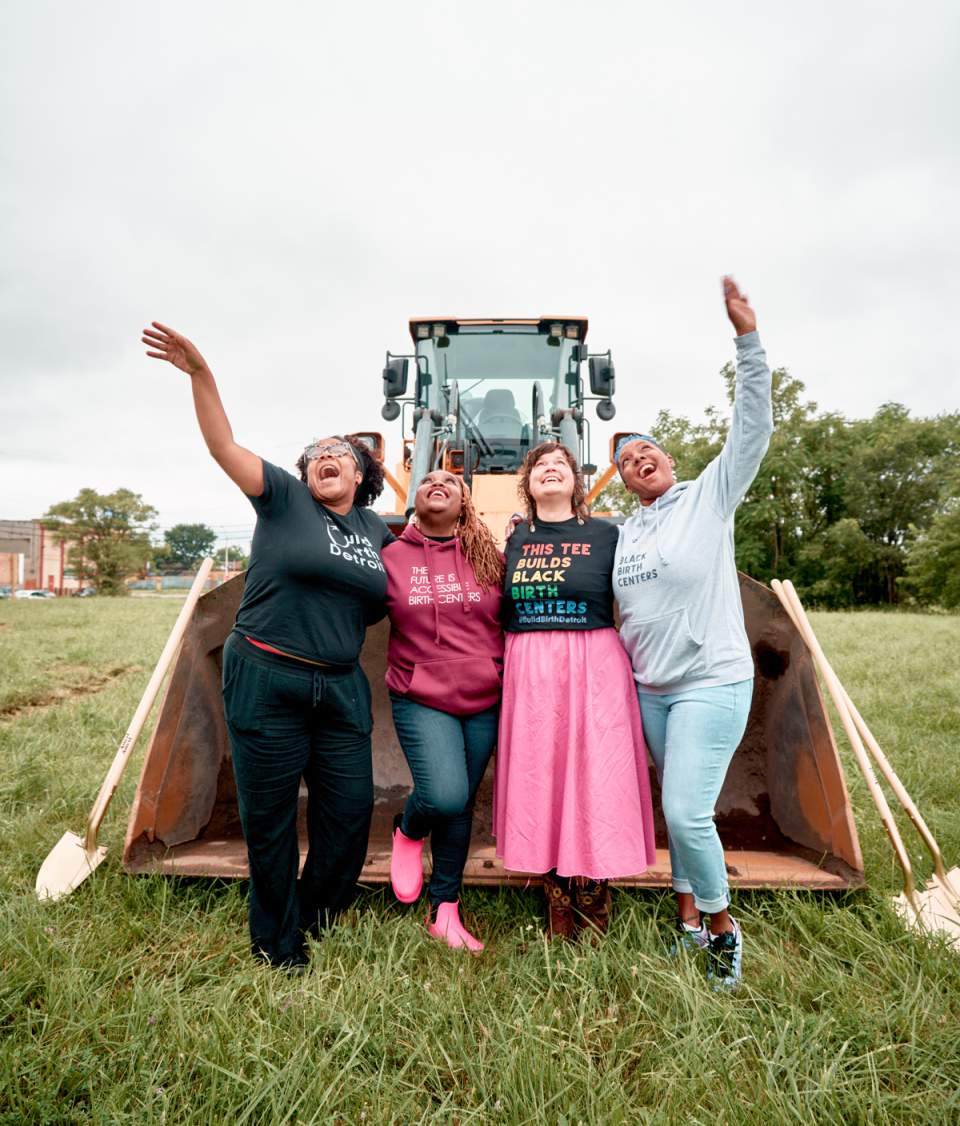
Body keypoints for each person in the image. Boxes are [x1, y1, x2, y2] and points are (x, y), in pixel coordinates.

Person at [142, 322, 394, 972]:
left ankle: (316, 915)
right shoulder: (283, 500)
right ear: (304, 472)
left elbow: (429, 553)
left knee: (348, 812)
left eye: (340, 451)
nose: (324, 456)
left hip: (340, 687)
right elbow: (223, 443)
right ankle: (277, 946)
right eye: (314, 453)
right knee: (273, 820)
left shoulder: (375, 528)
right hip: (268, 678)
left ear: (363, 472)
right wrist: (202, 375)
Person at [613, 276, 772, 991]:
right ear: (620, 483)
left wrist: (747, 340)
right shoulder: (624, 533)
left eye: (647, 450)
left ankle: (722, 930)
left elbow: (753, 427)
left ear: (669, 462)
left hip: (711, 681)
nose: (637, 458)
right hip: (651, 689)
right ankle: (682, 921)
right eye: (624, 460)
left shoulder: (709, 496)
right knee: (676, 807)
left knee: (684, 807)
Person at [494, 443, 657, 940]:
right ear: (527, 482)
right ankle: (558, 896)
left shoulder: (610, 533)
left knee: (595, 777)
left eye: (560, 464)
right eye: (540, 465)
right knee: (539, 777)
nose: (549, 470)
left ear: (575, 480)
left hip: (594, 664)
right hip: (530, 668)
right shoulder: (513, 538)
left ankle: (594, 894)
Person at [383, 470, 505, 952]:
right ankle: (407, 831)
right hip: (420, 694)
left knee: (462, 804)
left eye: (451, 482)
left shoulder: (488, 556)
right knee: (445, 796)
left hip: (484, 696)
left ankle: (445, 911)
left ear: (465, 503)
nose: (439, 482)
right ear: (415, 497)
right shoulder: (389, 557)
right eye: (429, 478)